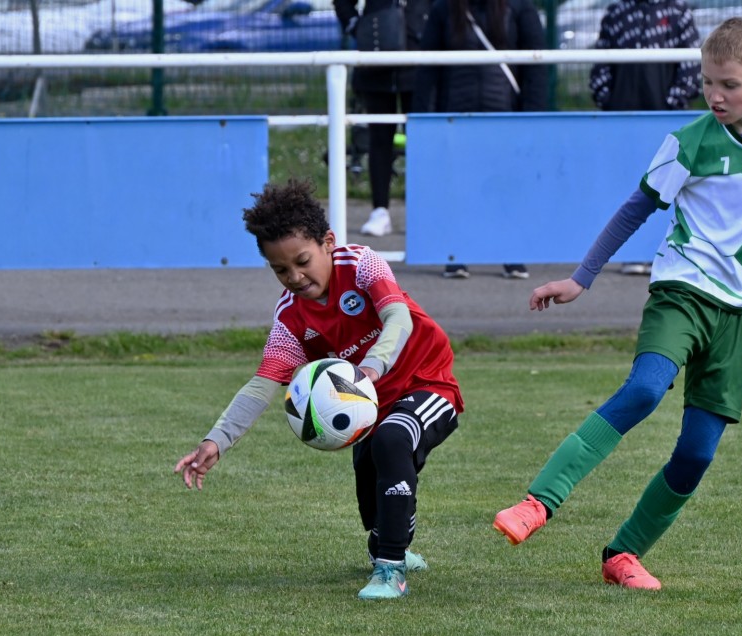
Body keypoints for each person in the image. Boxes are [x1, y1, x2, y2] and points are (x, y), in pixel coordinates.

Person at [493, 17, 742, 590]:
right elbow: (634, 209)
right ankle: (537, 502)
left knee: (697, 454)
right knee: (644, 390)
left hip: (739, 315)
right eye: (707, 82)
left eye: (729, 85)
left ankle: (624, 554)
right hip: (681, 293)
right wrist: (581, 279)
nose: (715, 95)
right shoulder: (689, 142)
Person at [174, 178, 463, 601]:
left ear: (328, 242)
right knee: (372, 487)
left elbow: (398, 318)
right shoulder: (290, 318)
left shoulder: (362, 264)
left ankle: (391, 568)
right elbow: (262, 384)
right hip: (369, 404)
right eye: (280, 269)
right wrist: (217, 440)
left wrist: (372, 366)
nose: (294, 276)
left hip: (428, 379)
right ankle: (386, 540)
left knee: (393, 439)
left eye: (303, 261)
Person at [412, 0, 546, 280]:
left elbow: (536, 68)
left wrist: (531, 117)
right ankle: (457, 253)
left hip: (506, 116)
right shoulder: (444, 9)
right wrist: (425, 119)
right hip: (456, 116)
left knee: (508, 187)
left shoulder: (519, 7)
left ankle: (512, 252)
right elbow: (427, 70)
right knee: (458, 186)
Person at [589, 0, 701, 277]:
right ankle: (629, 252)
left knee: (666, 187)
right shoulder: (617, 12)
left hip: (664, 123)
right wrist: (610, 102)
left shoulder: (677, 11)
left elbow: (691, 66)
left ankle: (659, 252)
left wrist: (670, 105)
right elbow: (600, 64)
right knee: (625, 188)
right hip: (621, 123)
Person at [334, 0, 431, 238]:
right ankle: (380, 210)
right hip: (376, 57)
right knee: (379, 138)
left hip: (419, 57)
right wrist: (357, 26)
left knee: (422, 139)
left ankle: (424, 211)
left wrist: (432, 27)